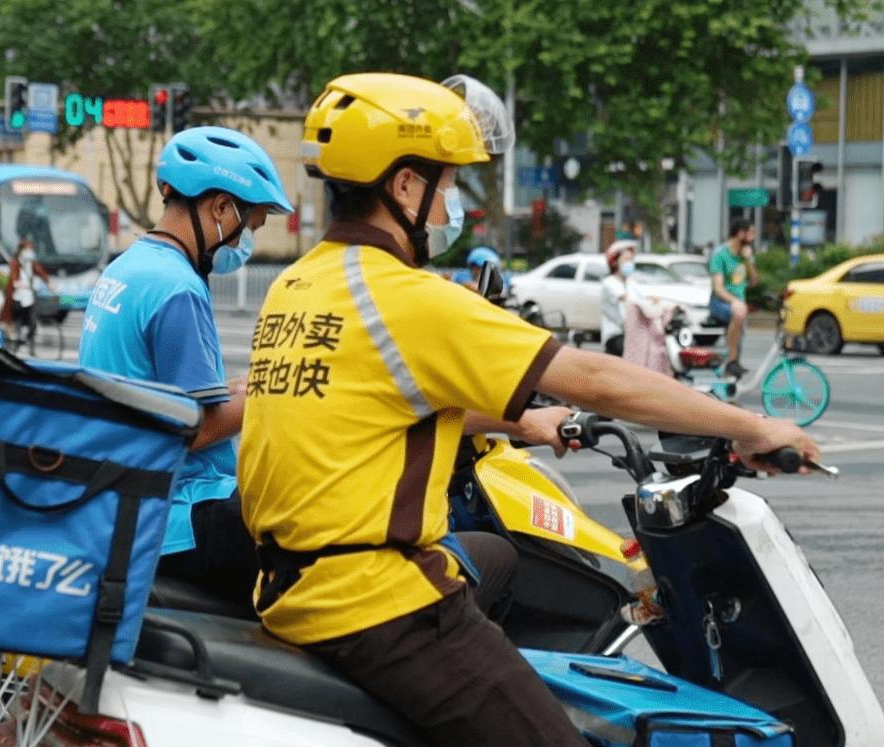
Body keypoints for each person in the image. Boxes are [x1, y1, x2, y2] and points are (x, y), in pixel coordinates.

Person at [237, 72, 820, 747]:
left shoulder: (297, 284)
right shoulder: (407, 296)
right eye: (446, 182)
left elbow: (368, 400)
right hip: (372, 604)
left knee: (501, 557)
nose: (450, 202)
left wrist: (523, 422)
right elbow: (594, 377)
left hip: (289, 580)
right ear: (402, 185)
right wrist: (752, 425)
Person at [77, 126, 294, 606]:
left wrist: (245, 385)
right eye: (251, 225)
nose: (247, 241)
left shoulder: (129, 268)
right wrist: (280, 389)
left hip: (122, 495)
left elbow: (171, 392)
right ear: (220, 209)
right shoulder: (178, 289)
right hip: (175, 512)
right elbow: (195, 429)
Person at [709, 218, 759, 377]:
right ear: (740, 234)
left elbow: (754, 282)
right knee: (739, 313)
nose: (753, 238)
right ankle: (732, 361)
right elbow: (718, 288)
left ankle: (731, 370)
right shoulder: (720, 254)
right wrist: (735, 302)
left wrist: (749, 260)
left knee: (740, 332)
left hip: (739, 305)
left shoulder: (745, 256)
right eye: (750, 233)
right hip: (720, 303)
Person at [0, 238, 54, 351]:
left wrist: (49, 283)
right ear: (21, 250)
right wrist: (20, 285)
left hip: (29, 297)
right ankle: (16, 341)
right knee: (17, 320)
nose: (30, 252)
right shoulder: (15, 263)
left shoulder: (31, 263)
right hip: (16, 297)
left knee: (32, 323)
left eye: (31, 249)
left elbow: (41, 272)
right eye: (27, 249)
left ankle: (26, 340)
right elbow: (14, 279)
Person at [600, 240, 638, 356]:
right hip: (615, 335)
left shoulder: (632, 283)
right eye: (626, 260)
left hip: (631, 334)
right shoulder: (609, 283)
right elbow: (624, 297)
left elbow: (642, 297)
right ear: (615, 262)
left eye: (631, 260)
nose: (630, 263)